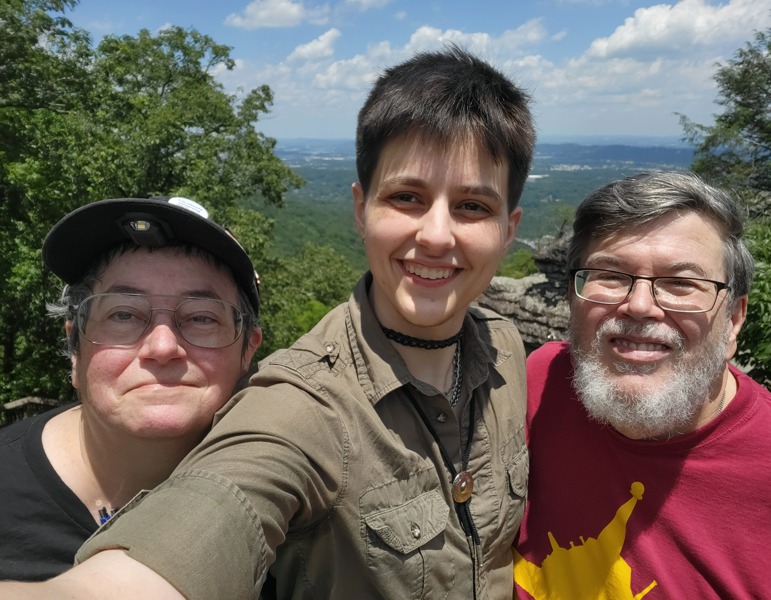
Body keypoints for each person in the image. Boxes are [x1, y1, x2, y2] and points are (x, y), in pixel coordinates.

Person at [0, 46, 535, 599]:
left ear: (509, 227)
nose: (437, 235)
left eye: (473, 206)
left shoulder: (509, 353)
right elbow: (188, 535)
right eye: (406, 197)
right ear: (360, 208)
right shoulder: (304, 406)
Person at [513, 171, 771, 598]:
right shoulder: (542, 383)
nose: (640, 305)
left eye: (682, 283)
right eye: (609, 275)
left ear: (734, 319)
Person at [0, 195, 262, 581]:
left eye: (201, 317)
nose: (162, 348)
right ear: (75, 347)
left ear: (247, 351)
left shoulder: (290, 511)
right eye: (123, 314)